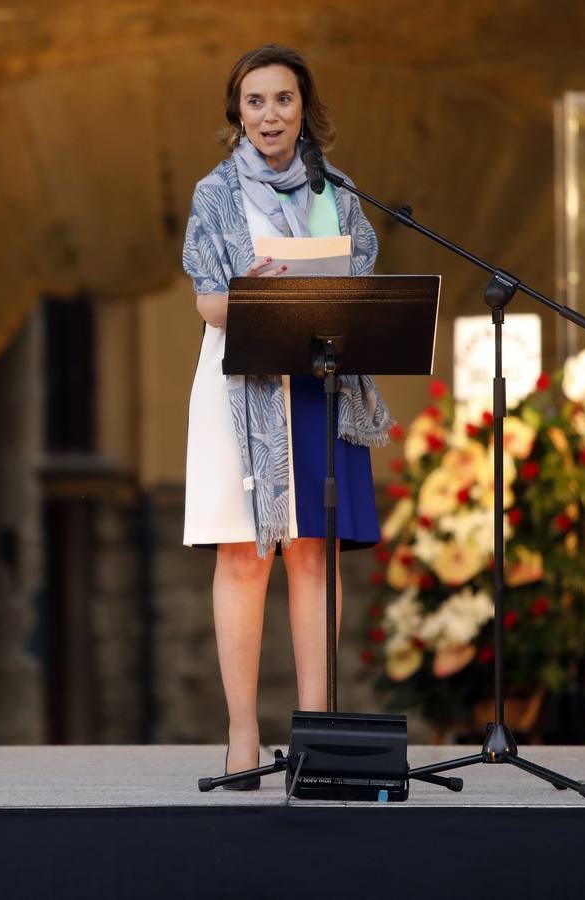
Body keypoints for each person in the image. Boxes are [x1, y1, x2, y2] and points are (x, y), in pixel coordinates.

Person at [181, 45, 391, 788]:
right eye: (255, 102)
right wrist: (251, 290)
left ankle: (317, 735)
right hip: (243, 387)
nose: (269, 114)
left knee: (314, 553)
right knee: (244, 554)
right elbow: (207, 302)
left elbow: (360, 283)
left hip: (321, 385)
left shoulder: (339, 192)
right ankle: (242, 735)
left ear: (306, 109)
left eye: (283, 100)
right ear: (237, 112)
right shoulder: (215, 195)